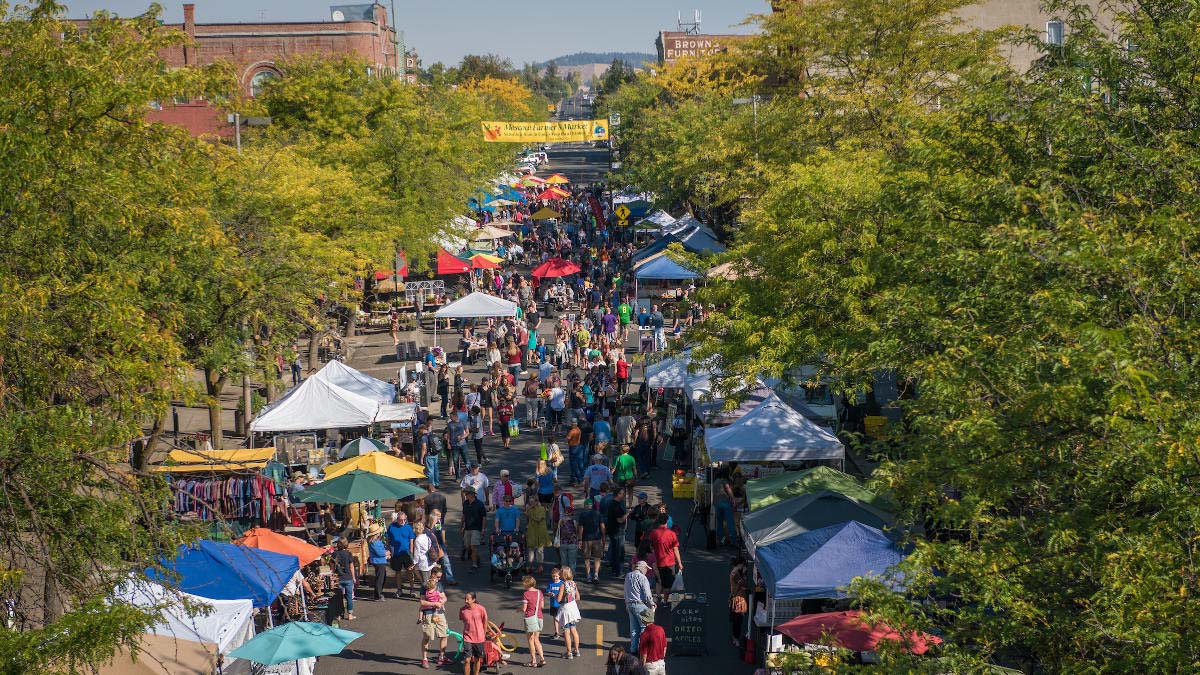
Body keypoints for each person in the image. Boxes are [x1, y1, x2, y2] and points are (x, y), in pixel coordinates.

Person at [647, 514, 682, 604]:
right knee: (668, 585)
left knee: (658, 581)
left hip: (657, 562)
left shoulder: (654, 533)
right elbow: (675, 549)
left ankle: (657, 598)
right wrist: (679, 563)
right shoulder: (672, 534)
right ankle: (665, 601)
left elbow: (650, 546)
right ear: (667, 521)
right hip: (669, 563)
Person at [624, 560, 657, 653]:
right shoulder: (643, 578)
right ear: (642, 568)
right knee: (644, 628)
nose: (647, 570)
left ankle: (633, 649)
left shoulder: (628, 576)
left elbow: (625, 591)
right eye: (646, 568)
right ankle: (643, 649)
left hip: (630, 604)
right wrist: (652, 603)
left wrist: (626, 603)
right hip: (640, 605)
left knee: (633, 628)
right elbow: (647, 593)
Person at [418, 578, 450, 668]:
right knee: (427, 637)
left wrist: (441, 602)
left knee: (444, 634)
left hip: (440, 614)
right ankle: (424, 659)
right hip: (428, 614)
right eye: (437, 577)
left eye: (440, 577)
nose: (439, 580)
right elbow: (422, 602)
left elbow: (444, 598)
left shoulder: (438, 585)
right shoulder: (425, 586)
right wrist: (435, 604)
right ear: (433, 575)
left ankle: (442, 657)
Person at [387, 510, 416, 598]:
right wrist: (388, 550)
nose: (403, 521)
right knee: (398, 572)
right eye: (401, 520)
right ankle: (399, 590)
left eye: (404, 520)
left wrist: (411, 552)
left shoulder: (408, 527)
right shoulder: (391, 527)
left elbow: (411, 541)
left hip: (406, 553)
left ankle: (412, 589)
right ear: (397, 519)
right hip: (396, 554)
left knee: (410, 572)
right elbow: (388, 539)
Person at [555, 568, 583, 660]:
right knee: (574, 630)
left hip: (566, 609)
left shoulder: (563, 585)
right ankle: (577, 650)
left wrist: (555, 596)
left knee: (566, 632)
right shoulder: (573, 583)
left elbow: (559, 600)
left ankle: (569, 652)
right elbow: (578, 597)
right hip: (573, 608)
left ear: (563, 575)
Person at [459, 592, 489, 675]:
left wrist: (484, 633)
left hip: (479, 638)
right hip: (467, 638)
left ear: (474, 600)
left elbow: (485, 621)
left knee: (477, 659)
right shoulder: (462, 610)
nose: (465, 601)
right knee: (467, 660)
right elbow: (463, 620)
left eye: (468, 599)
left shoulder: (481, 609)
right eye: (465, 599)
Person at [521, 576, 547, 668]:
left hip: (530, 618)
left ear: (527, 584)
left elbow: (524, 609)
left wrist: (518, 609)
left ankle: (533, 661)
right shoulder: (539, 592)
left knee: (531, 640)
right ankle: (542, 658)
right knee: (537, 639)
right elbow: (542, 606)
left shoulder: (526, 594)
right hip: (539, 617)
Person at [577, 497, 604, 583]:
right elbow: (602, 526)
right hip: (597, 539)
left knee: (586, 558)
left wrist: (580, 539)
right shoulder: (598, 513)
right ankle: (596, 575)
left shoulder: (583, 515)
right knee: (597, 558)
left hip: (586, 539)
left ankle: (588, 575)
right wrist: (603, 536)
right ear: (592, 505)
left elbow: (580, 527)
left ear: (585, 505)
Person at [460, 487, 487, 571]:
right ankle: (476, 557)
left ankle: (474, 564)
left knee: (473, 546)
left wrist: (483, 529)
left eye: (466, 493)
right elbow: (464, 515)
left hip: (476, 528)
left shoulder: (479, 504)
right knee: (467, 546)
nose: (465, 495)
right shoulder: (465, 503)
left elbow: (484, 518)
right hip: (467, 528)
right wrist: (462, 526)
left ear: (471, 494)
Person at [605, 486, 630, 577]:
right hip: (617, 531)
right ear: (618, 494)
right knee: (619, 552)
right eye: (622, 493)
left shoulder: (613, 503)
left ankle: (615, 569)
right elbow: (619, 520)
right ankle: (618, 571)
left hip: (614, 530)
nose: (624, 495)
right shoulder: (615, 505)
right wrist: (627, 513)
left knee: (615, 550)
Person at [331, 539, 356, 621]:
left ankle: (339, 615)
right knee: (349, 597)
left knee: (339, 598)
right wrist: (354, 577)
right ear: (346, 544)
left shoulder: (334, 554)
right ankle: (350, 615)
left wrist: (332, 577)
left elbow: (332, 568)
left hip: (339, 578)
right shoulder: (348, 554)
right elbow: (351, 567)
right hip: (348, 578)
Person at [525, 499, 551, 573]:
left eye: (532, 502)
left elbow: (538, 519)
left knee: (540, 550)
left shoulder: (542, 509)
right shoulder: (530, 509)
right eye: (530, 502)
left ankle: (540, 567)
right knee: (531, 549)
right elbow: (527, 517)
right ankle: (529, 566)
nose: (531, 504)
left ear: (537, 502)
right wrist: (528, 511)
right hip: (532, 530)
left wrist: (529, 514)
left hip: (540, 531)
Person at [412, 521, 439, 589]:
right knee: (430, 579)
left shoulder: (417, 540)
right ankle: (432, 593)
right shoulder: (426, 536)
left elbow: (416, 554)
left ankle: (426, 595)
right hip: (430, 560)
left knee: (425, 581)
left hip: (423, 562)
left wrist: (414, 563)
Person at [367, 525, 390, 601]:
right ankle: (378, 595)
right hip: (379, 562)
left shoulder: (375, 541)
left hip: (379, 561)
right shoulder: (374, 542)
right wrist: (386, 553)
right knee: (380, 579)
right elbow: (380, 553)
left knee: (381, 578)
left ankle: (378, 594)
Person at [555, 504, 580, 574]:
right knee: (572, 561)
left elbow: (558, 531)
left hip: (562, 543)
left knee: (564, 561)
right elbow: (577, 531)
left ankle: (564, 576)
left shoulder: (561, 521)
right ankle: (571, 576)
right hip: (573, 543)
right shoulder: (574, 521)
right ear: (571, 513)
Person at [418, 424, 441, 489]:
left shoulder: (424, 437)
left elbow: (424, 448)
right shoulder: (432, 434)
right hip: (435, 454)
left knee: (430, 471)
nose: (419, 432)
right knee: (436, 470)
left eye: (419, 430)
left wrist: (422, 458)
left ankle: (431, 485)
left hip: (429, 455)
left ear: (422, 429)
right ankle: (437, 483)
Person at [545, 567, 565, 639]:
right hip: (553, 604)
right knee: (555, 618)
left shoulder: (562, 583)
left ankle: (565, 631)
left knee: (562, 618)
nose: (555, 577)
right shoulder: (550, 583)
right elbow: (548, 591)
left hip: (561, 604)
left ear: (559, 575)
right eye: (553, 576)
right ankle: (557, 632)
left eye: (556, 576)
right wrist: (550, 593)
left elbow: (565, 592)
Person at [566, 419, 585, 485]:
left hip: (573, 447)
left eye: (571, 424)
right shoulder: (578, 430)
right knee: (579, 463)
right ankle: (580, 478)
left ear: (573, 424)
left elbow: (568, 438)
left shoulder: (572, 431)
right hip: (578, 446)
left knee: (573, 464)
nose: (571, 425)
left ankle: (574, 479)